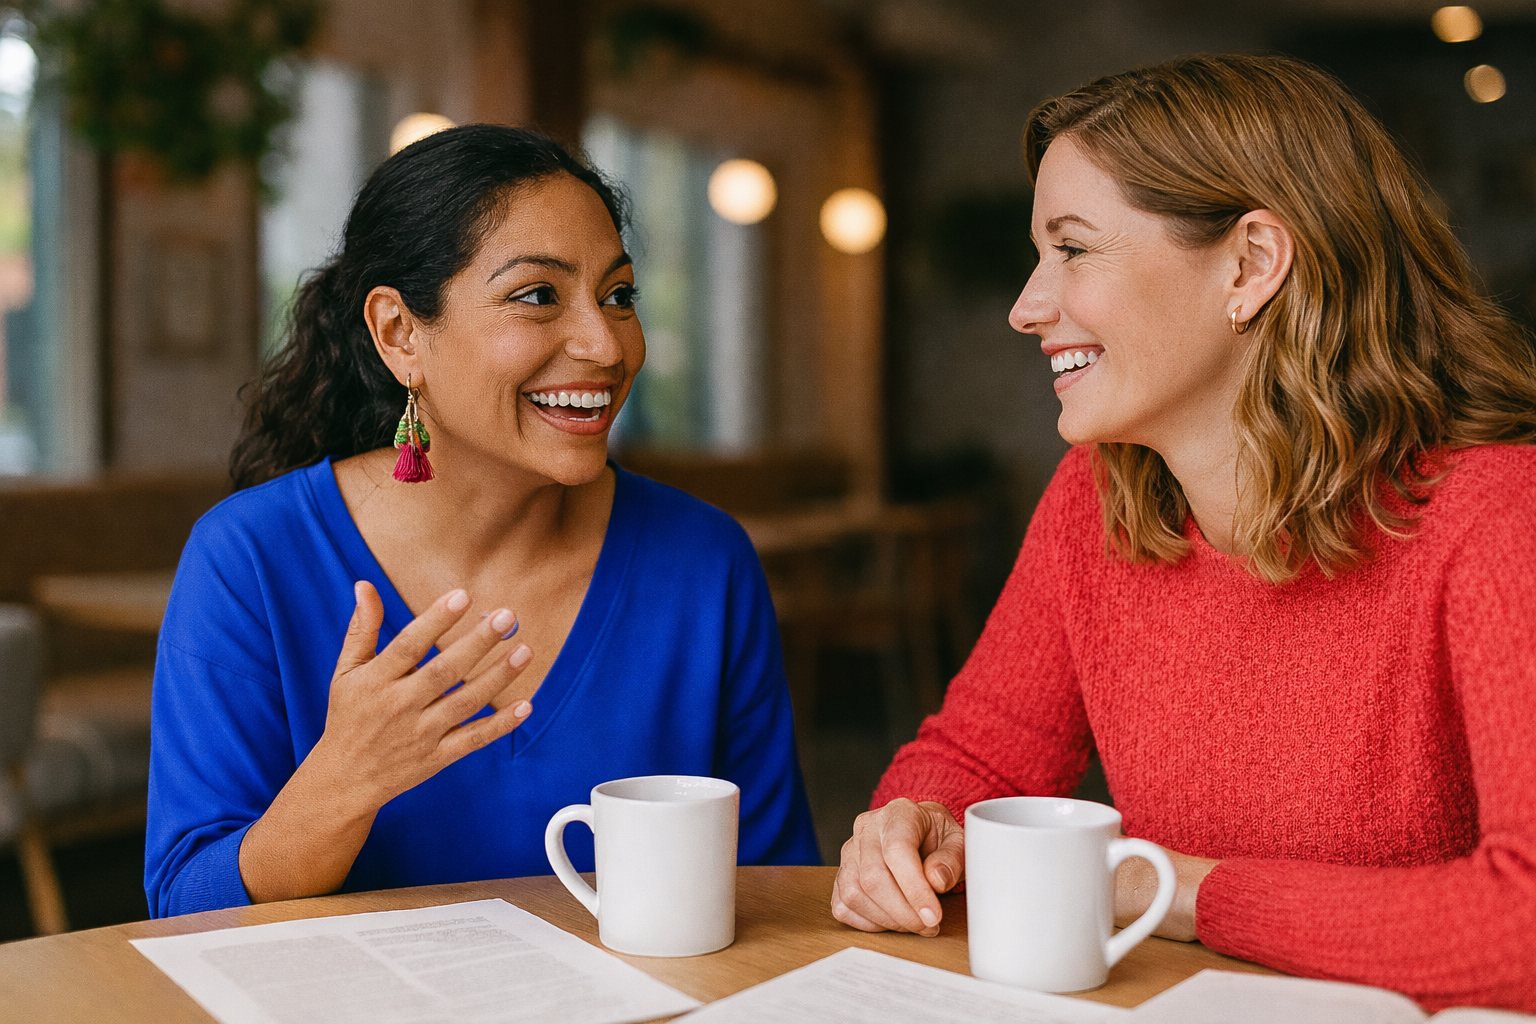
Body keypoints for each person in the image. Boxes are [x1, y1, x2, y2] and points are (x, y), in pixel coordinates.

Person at [832, 54, 1536, 1011]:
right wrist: (918, 825)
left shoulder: (1500, 517)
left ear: (1251, 264)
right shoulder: (1100, 496)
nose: (1026, 307)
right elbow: (981, 758)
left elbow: (1523, 922)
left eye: (1073, 250)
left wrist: (1180, 889)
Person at [145, 125, 818, 917]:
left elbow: (780, 890)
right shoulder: (250, 559)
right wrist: (344, 782)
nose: (605, 344)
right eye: (537, 296)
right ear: (399, 334)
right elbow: (184, 910)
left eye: (619, 295)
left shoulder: (704, 562)